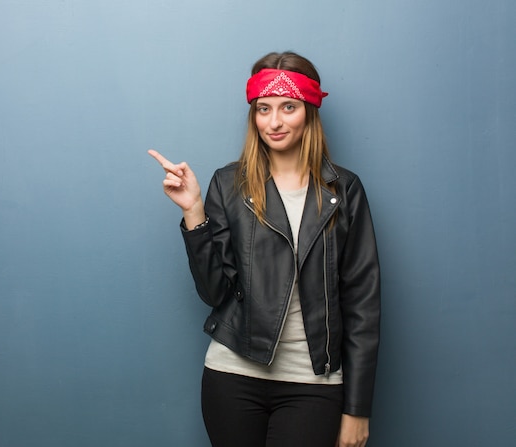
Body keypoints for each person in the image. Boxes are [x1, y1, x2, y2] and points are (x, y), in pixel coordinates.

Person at [149, 51, 380, 447]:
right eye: (263, 109)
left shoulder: (344, 191)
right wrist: (194, 213)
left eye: (288, 107)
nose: (274, 122)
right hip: (232, 377)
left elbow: (362, 305)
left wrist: (356, 408)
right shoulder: (228, 184)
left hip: (313, 381)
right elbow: (214, 293)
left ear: (308, 110)